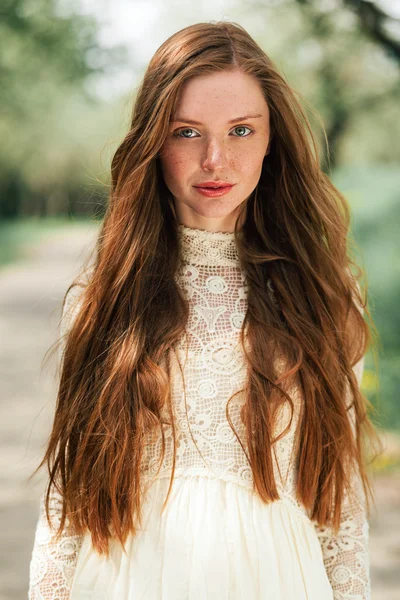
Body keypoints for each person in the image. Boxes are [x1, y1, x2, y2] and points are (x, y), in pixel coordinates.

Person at [28, 20, 380, 600]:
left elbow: (337, 501)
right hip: (127, 581)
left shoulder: (326, 295)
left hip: (280, 581)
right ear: (153, 143)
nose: (216, 159)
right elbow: (70, 492)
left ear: (272, 141)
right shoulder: (105, 295)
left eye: (241, 130)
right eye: (187, 132)